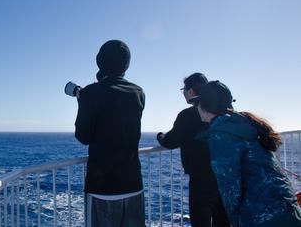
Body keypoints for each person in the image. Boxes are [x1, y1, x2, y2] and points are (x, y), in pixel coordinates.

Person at [193, 80, 301, 227]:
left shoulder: (219, 132)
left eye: (197, 104)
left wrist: (235, 221)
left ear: (204, 106)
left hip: (262, 216)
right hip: (287, 207)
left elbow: (230, 185)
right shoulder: (243, 121)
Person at [75, 40, 146, 227]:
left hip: (103, 188)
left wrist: (82, 103)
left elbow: (83, 136)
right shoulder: (138, 92)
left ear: (99, 61)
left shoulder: (91, 93)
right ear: (127, 64)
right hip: (133, 185)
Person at [157, 73, 229, 227]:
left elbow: (170, 141)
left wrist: (160, 136)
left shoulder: (187, 115)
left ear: (190, 92)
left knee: (200, 220)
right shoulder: (224, 112)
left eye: (184, 89)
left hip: (201, 178)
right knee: (223, 220)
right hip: (225, 175)